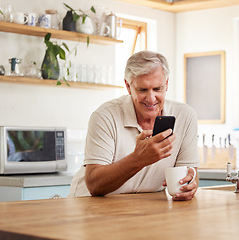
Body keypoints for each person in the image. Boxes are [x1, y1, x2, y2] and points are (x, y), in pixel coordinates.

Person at [69, 50, 200, 201]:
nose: (151, 99)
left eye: (157, 89)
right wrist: (139, 159)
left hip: (141, 206)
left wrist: (189, 185)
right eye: (142, 89)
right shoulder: (105, 116)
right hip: (89, 203)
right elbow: (94, 185)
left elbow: (190, 174)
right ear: (128, 86)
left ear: (167, 84)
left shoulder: (185, 116)